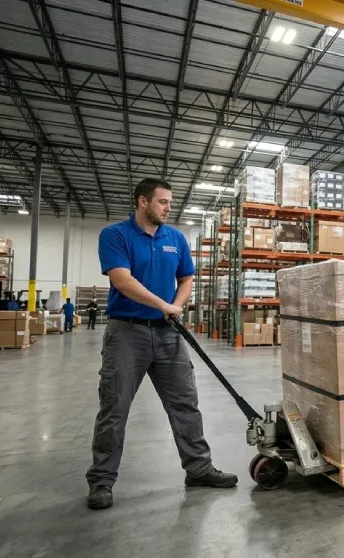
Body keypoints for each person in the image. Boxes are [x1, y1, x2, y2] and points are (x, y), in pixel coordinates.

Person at [86, 177, 236, 511]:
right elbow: (122, 281)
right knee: (114, 408)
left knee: (185, 403)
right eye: (163, 202)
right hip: (127, 333)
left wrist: (177, 305)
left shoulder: (176, 238)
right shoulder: (115, 235)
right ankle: (101, 480)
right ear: (142, 201)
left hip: (168, 333)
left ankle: (198, 469)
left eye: (170, 202)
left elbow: (187, 279)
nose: (169, 207)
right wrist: (163, 304)